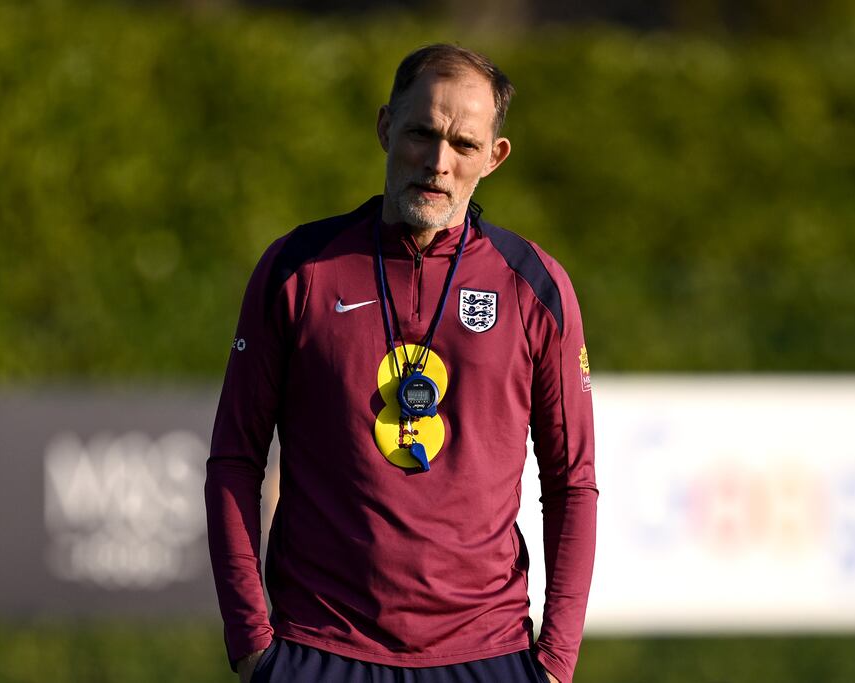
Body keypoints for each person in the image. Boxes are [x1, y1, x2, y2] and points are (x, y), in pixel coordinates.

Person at [205, 44, 597, 683]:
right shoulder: (297, 269)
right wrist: (252, 641)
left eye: (464, 145)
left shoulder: (535, 288)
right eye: (421, 133)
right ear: (386, 127)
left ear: (493, 158)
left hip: (487, 656)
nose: (438, 163)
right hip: (318, 649)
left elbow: (572, 482)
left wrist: (554, 661)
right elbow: (234, 459)